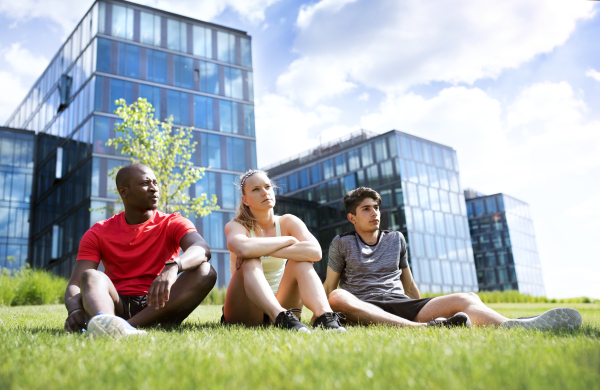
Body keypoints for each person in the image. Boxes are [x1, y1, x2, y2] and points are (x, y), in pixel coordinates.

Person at [323, 187, 583, 330]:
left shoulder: (396, 239)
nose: (374, 213)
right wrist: (319, 317)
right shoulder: (342, 244)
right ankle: (423, 330)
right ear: (352, 218)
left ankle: (513, 325)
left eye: (376, 207)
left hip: (401, 304)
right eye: (366, 209)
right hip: (364, 306)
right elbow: (328, 289)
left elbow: (410, 286)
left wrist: (422, 306)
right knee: (337, 298)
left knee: (467, 298)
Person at [64, 164, 217, 338]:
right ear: (123, 192)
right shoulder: (98, 231)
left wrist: (174, 266)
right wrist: (75, 310)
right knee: (91, 275)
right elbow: (76, 284)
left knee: (206, 271)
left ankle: (117, 328)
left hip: (162, 304)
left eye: (155, 183)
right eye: (145, 183)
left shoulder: (173, 222)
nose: (154, 189)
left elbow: (202, 249)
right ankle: (107, 321)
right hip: (117, 304)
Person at [223, 170, 345, 333]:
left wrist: (265, 249)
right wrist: (288, 241)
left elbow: (315, 252)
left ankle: (325, 316)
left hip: (284, 304)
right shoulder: (236, 225)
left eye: (267, 187)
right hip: (245, 309)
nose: (264, 192)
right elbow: (243, 249)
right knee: (249, 259)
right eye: (256, 189)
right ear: (245, 200)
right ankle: (278, 316)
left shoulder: (288, 221)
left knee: (301, 261)